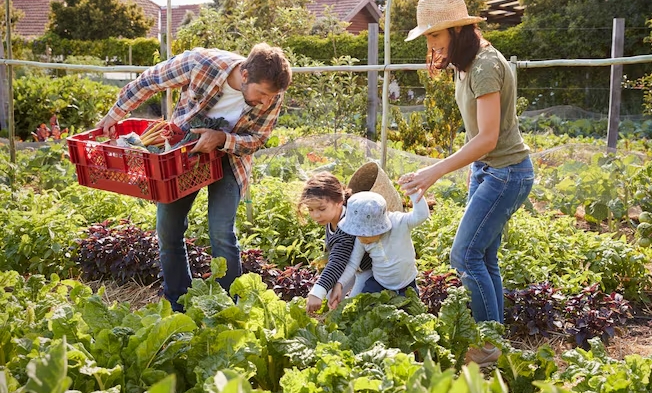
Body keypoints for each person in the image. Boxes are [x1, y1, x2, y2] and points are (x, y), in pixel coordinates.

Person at [97, 44, 292, 312]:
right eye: (262, 94)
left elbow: (257, 139)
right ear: (245, 75)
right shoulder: (202, 63)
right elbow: (150, 81)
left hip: (229, 160)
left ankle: (226, 310)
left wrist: (221, 139)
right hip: (182, 155)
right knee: (168, 230)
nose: (267, 102)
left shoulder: (272, 94)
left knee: (221, 232)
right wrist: (114, 115)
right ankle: (179, 305)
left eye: (272, 97)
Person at [399, 0, 534, 365]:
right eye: (427, 36)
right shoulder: (465, 63)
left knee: (464, 255)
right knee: (484, 257)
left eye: (435, 35)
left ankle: (488, 349)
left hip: (507, 173)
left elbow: (488, 137)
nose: (431, 44)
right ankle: (494, 341)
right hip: (489, 169)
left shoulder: (486, 65)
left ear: (458, 30)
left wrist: (434, 171)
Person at [329, 190, 429, 308]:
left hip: (406, 284)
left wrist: (413, 190)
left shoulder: (399, 223)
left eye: (366, 234)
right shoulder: (361, 240)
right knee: (363, 308)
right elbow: (352, 264)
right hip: (379, 284)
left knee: (409, 314)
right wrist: (340, 284)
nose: (361, 238)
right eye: (357, 233)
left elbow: (421, 215)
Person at [300, 172, 373, 313]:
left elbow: (337, 261)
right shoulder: (332, 218)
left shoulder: (347, 226)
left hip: (369, 269)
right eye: (311, 209)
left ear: (339, 202)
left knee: (352, 307)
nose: (316, 215)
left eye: (321, 209)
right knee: (330, 299)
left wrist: (317, 292)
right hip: (351, 266)